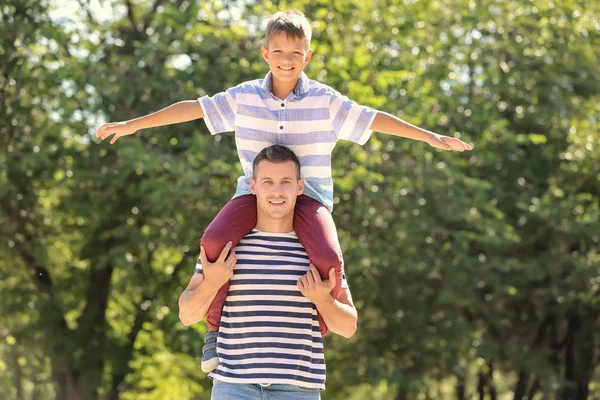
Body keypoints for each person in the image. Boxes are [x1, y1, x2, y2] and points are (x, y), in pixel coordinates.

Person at [96, 9, 473, 372]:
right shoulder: (244, 97)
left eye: (295, 53)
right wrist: (133, 124)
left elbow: (373, 118)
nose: (287, 60)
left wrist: (430, 137)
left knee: (326, 253)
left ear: (307, 55)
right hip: (254, 193)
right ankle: (213, 331)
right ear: (265, 54)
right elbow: (193, 108)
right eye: (278, 52)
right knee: (213, 240)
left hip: (311, 199)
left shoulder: (325, 101)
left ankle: (322, 323)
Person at [178, 145, 357, 399]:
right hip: (234, 387)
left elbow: (349, 327)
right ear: (252, 186)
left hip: (298, 390)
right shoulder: (230, 246)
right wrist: (211, 284)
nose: (276, 191)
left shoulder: (316, 250)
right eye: (267, 181)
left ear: (299, 187)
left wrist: (322, 299)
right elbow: (186, 314)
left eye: (285, 182)